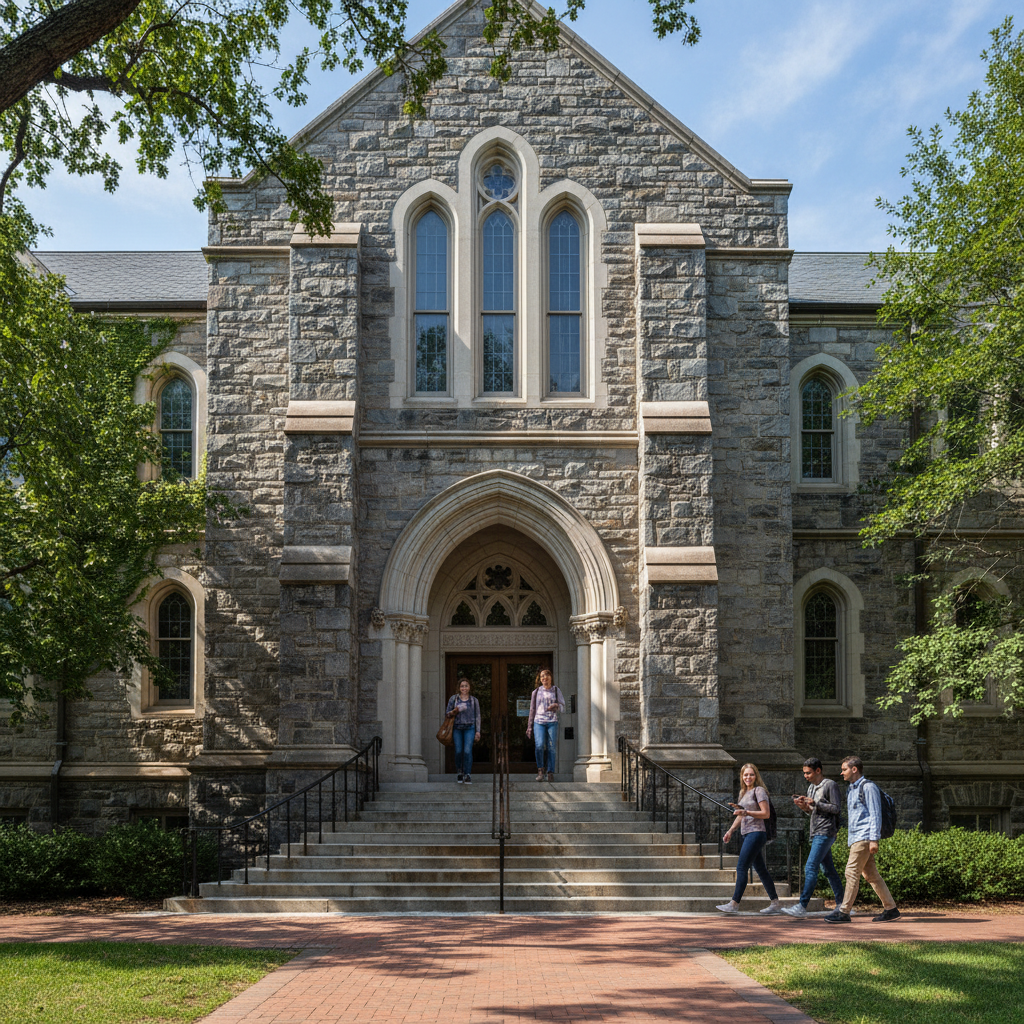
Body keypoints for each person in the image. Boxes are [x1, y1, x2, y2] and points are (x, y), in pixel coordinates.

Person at [824, 755, 900, 923]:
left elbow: (875, 814)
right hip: (857, 837)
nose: (841, 773)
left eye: (844, 769)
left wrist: (874, 839)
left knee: (851, 872)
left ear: (854, 769)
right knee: (871, 875)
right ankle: (891, 908)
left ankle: (843, 912)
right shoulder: (851, 789)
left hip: (864, 837)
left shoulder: (868, 787)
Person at [716, 763, 783, 915]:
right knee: (760, 869)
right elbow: (741, 815)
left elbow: (765, 813)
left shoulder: (759, 791)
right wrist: (731, 831)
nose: (748, 777)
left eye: (751, 774)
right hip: (747, 833)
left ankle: (734, 904)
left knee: (741, 867)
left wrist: (747, 812)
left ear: (756, 776)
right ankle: (775, 903)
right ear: (742, 777)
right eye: (745, 775)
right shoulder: (743, 793)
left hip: (757, 832)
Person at [783, 757, 845, 917]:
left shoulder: (830, 785)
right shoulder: (811, 788)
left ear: (818, 770)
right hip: (815, 831)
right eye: (804, 773)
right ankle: (844, 904)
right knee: (829, 870)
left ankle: (802, 906)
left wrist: (816, 803)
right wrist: (805, 807)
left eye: (808, 773)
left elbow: (836, 808)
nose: (806, 776)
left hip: (826, 831)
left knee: (810, 867)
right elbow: (812, 811)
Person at [526, 667, 564, 782]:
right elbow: (532, 710)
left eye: (547, 676)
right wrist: (529, 727)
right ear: (540, 679)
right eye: (542, 676)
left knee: (551, 747)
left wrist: (557, 706)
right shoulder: (536, 692)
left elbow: (563, 707)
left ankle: (550, 772)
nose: (544, 678)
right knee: (539, 745)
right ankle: (540, 771)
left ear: (551, 678)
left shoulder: (556, 690)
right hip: (539, 722)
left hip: (552, 721)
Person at [445, 678, 481, 784]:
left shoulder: (474, 700)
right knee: (458, 751)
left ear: (469, 687)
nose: (464, 688)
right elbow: (447, 714)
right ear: (459, 688)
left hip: (470, 728)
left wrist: (478, 731)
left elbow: (478, 716)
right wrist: (455, 711)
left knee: (467, 751)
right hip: (457, 728)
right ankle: (460, 772)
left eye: (466, 686)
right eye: (462, 686)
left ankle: (467, 774)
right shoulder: (454, 699)